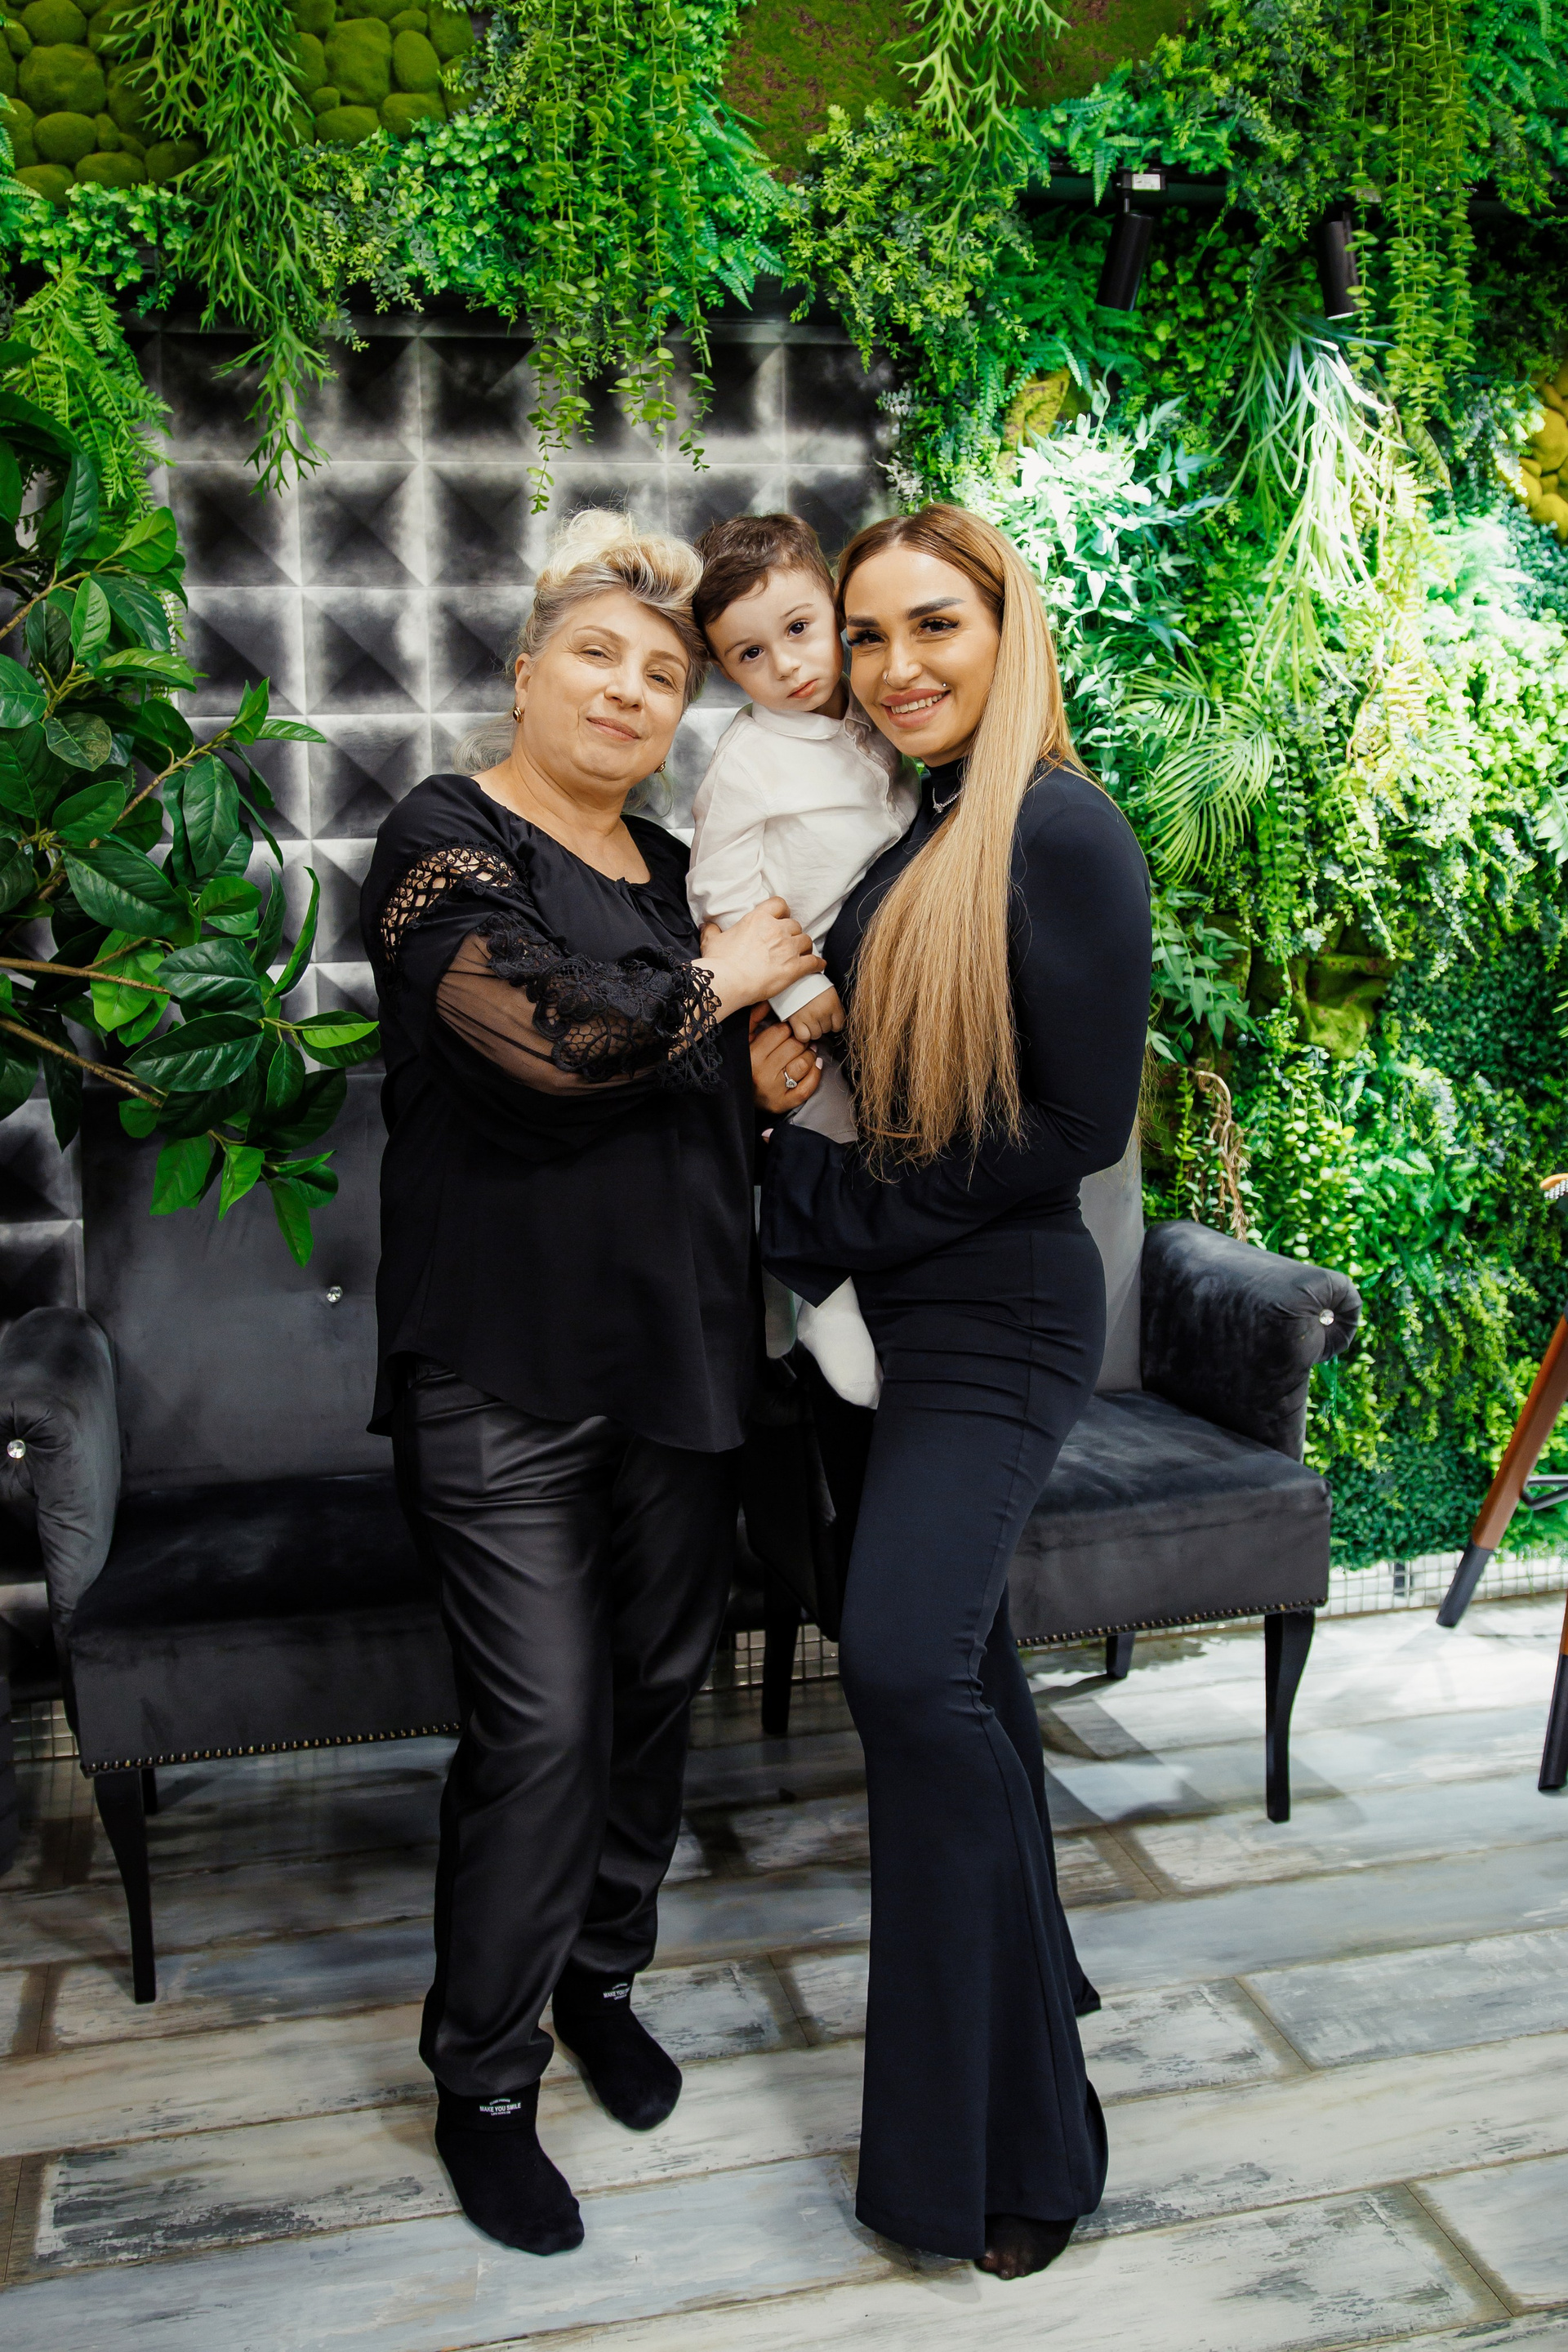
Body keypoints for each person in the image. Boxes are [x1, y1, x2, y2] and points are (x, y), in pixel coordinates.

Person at [359, 510, 824, 2259]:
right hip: (497, 1375)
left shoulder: (678, 871)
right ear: (526, 671)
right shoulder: (446, 837)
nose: (631, 690)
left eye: (664, 672)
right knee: (541, 1731)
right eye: (597, 655)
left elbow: (701, 1087)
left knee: (648, 1700)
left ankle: (601, 1982)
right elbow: (551, 1046)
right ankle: (484, 2081)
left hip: (683, 1360)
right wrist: (729, 983)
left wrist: (758, 1076)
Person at [760, 503, 1152, 2279]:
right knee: (963, 1677)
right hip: (906, 1311)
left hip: (995, 1310)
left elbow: (1070, 1127)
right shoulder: (927, 827)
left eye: (935, 625)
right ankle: (1031, 2000)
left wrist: (817, 1196)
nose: (895, 664)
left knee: (907, 1670)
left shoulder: (1059, 828)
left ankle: (1026, 2146)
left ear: (1008, 630)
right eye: (866, 634)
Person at [687, 512, 915, 1409]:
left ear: (834, 607)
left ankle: (793, 1296)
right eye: (751, 654)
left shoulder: (877, 713)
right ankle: (824, 1303)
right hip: (808, 998)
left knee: (882, 1149)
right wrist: (796, 984)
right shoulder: (750, 761)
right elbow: (719, 890)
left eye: (798, 628)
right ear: (723, 670)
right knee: (822, 1142)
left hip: (888, 987)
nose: (786, 665)